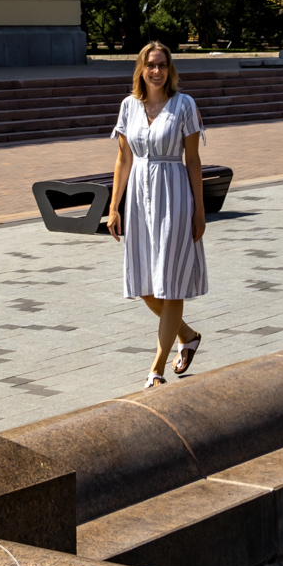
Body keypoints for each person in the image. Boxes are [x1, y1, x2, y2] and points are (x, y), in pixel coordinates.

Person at [106, 40, 207, 388]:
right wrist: (113, 206)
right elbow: (123, 159)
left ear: (170, 69)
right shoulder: (128, 106)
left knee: (171, 284)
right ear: (141, 68)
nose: (157, 71)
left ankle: (157, 368)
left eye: (163, 64)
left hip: (175, 195)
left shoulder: (184, 105)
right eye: (151, 64)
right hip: (137, 198)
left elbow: (192, 161)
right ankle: (188, 336)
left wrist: (199, 210)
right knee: (145, 284)